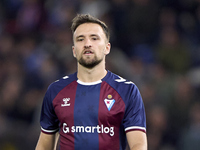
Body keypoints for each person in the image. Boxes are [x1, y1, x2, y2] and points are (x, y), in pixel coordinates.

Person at [35, 14, 147, 150]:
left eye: (94, 38)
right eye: (80, 39)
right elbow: (44, 144)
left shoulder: (127, 91)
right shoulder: (56, 90)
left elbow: (138, 145)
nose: (87, 44)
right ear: (74, 50)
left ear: (107, 47)